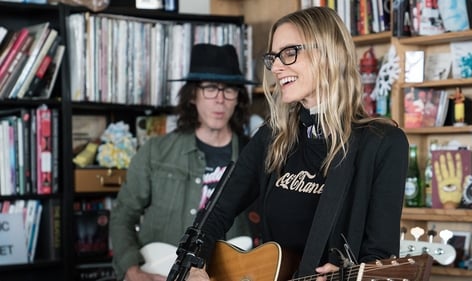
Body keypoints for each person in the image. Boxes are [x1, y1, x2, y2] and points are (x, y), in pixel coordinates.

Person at [186, 7, 409, 281]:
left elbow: (381, 259)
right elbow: (217, 211)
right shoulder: (272, 137)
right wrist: (196, 265)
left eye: (289, 53)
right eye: (274, 57)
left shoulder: (382, 143)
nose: (277, 67)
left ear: (328, 54)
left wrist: (347, 276)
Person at [109, 43, 255, 281]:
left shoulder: (255, 156)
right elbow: (123, 216)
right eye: (209, 88)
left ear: (238, 98)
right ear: (192, 96)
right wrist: (133, 271)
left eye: (229, 89)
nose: (220, 99)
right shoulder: (155, 152)